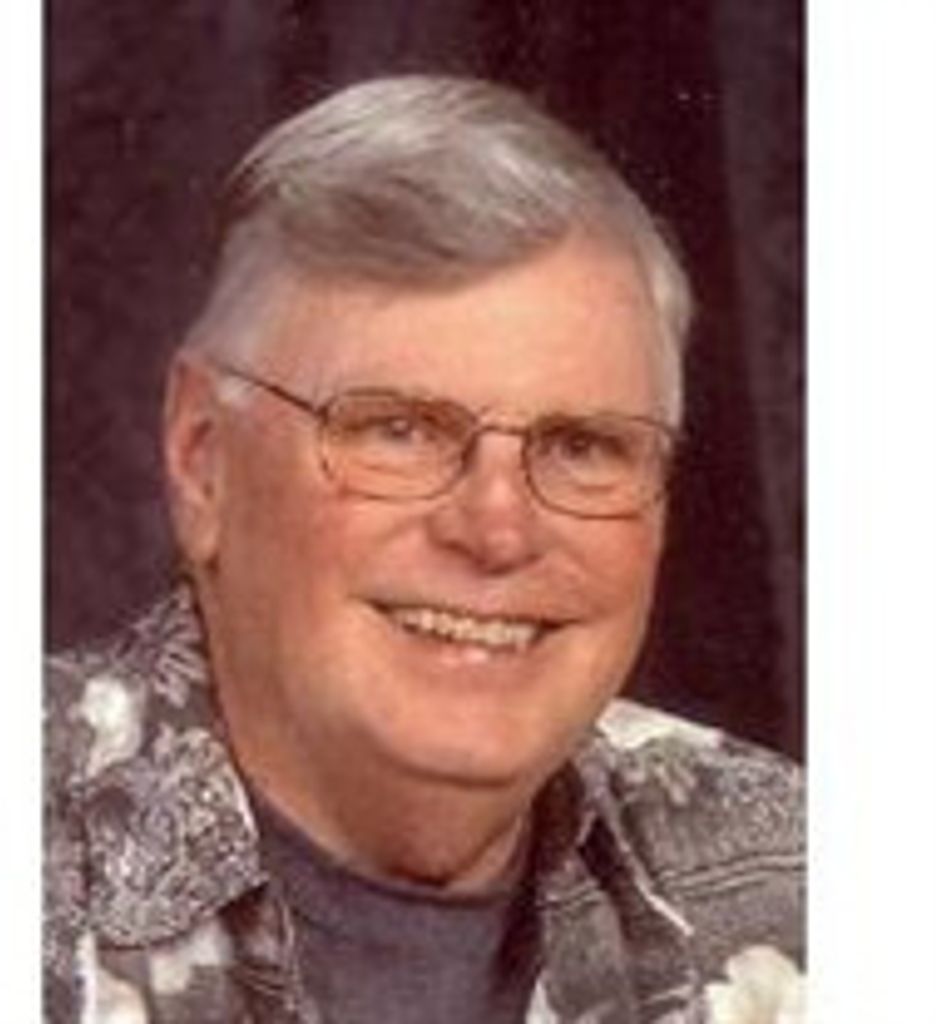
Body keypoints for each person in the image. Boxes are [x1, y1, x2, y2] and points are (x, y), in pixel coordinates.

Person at [44, 76, 804, 1024]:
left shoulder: (804, 880)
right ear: (204, 461)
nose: (497, 530)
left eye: (582, 447)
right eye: (398, 430)